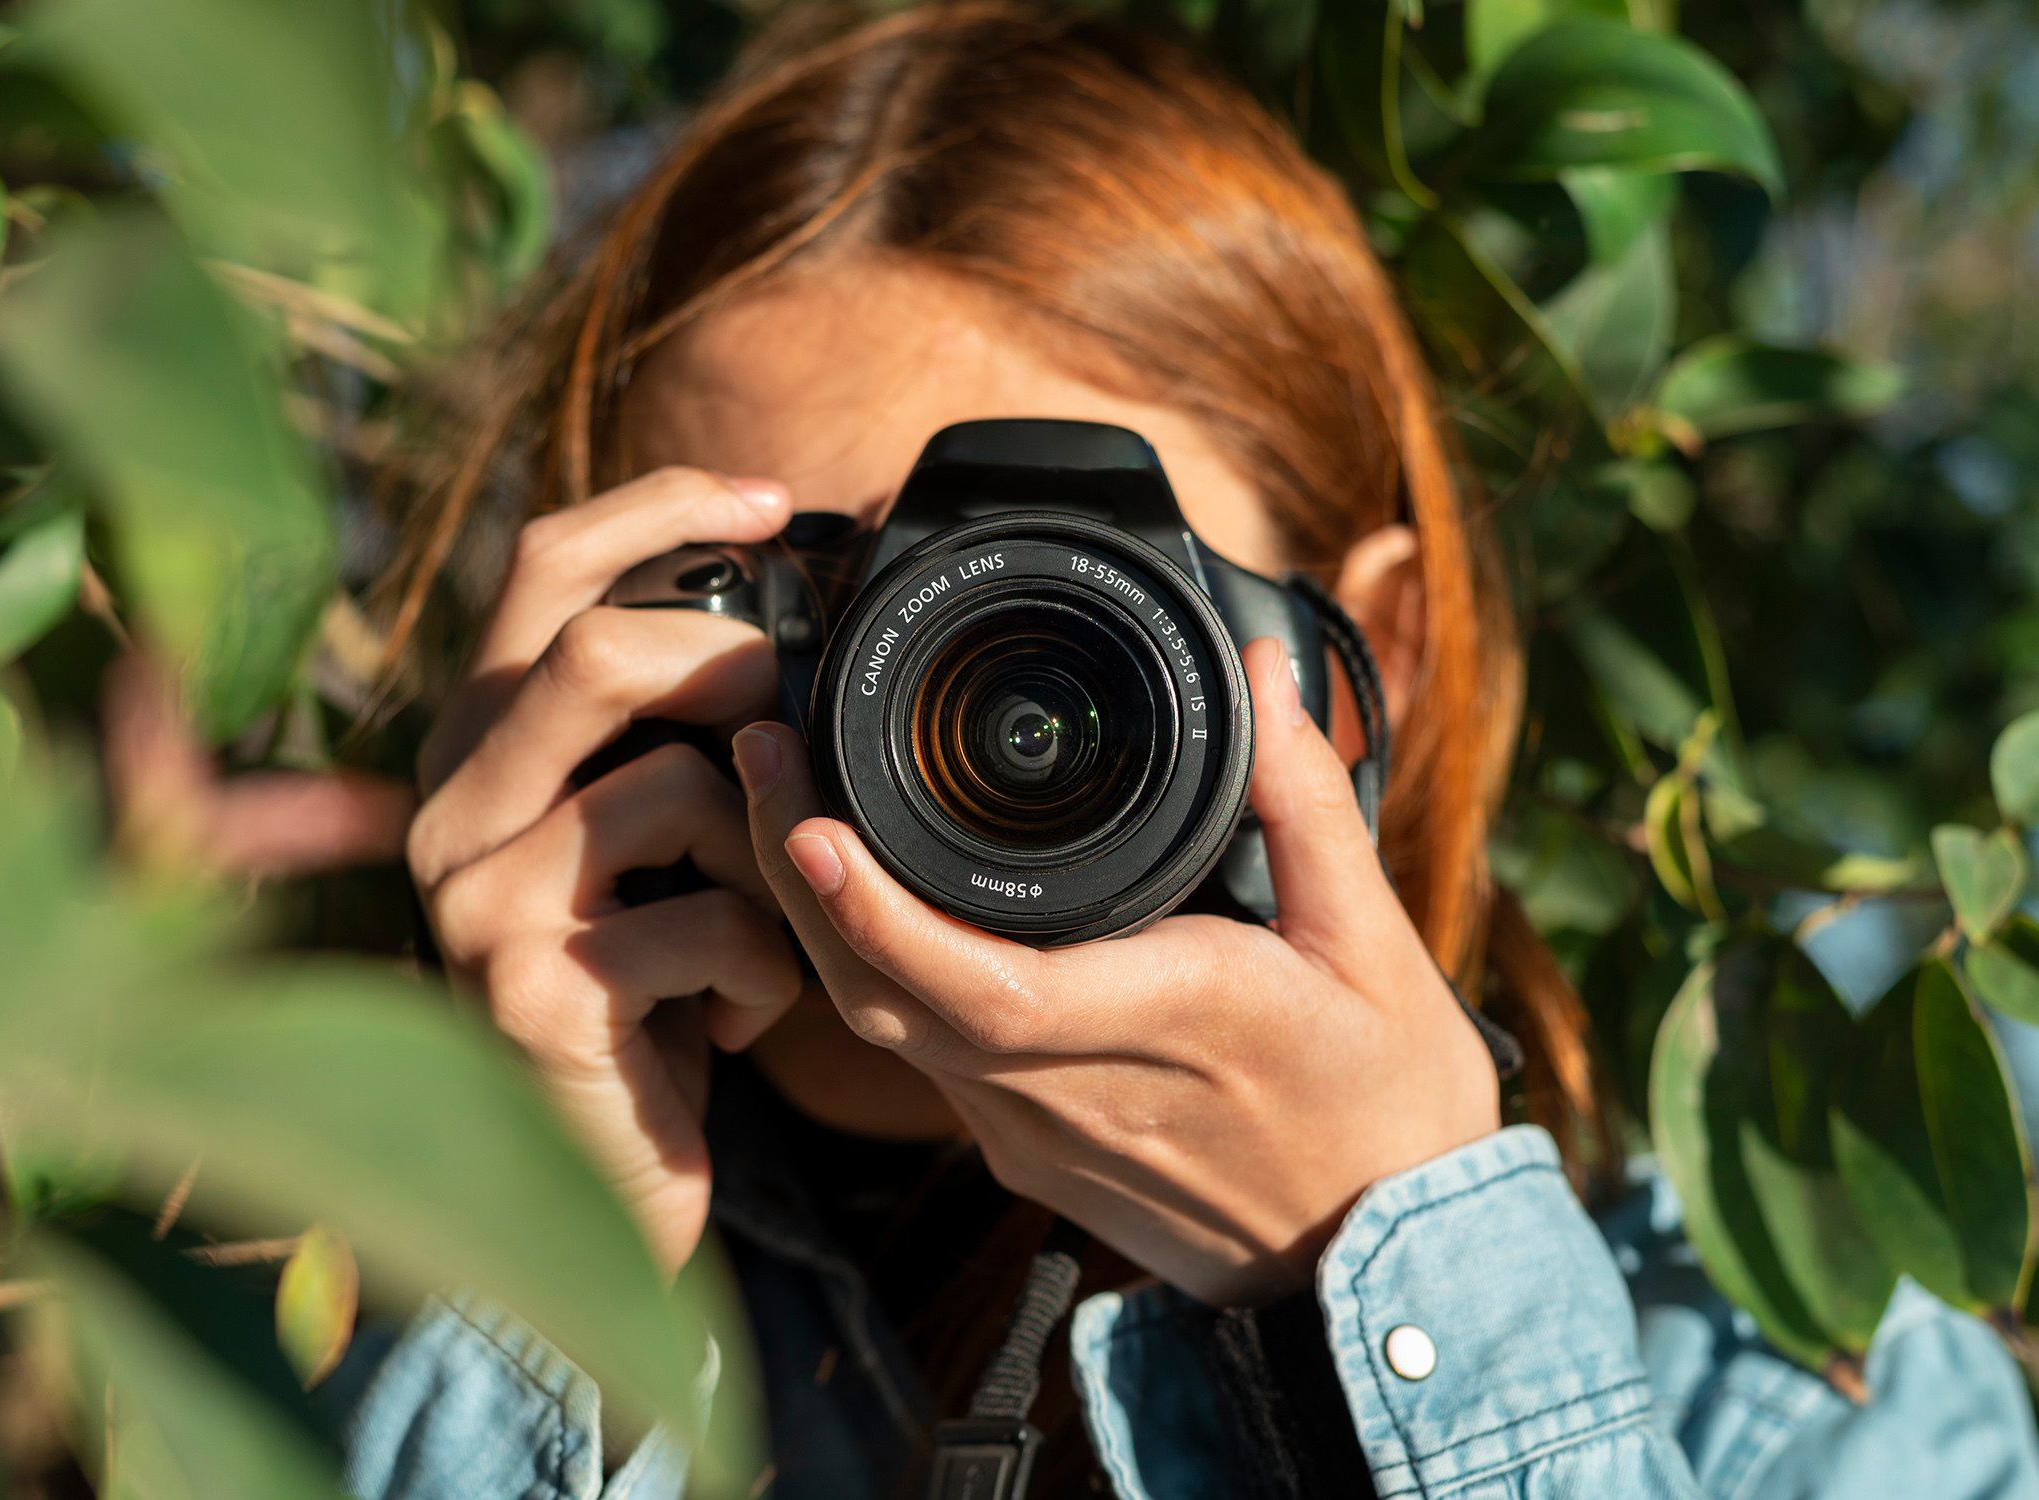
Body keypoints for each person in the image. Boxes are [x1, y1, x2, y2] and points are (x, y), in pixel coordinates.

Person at [342, 5, 2039, 1497]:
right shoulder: (369, 1262)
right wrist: (531, 1263)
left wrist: (1363, 1313)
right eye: (834, 598)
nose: (934, 707)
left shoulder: (1791, 1396)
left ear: (1362, 660)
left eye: (1087, 599)